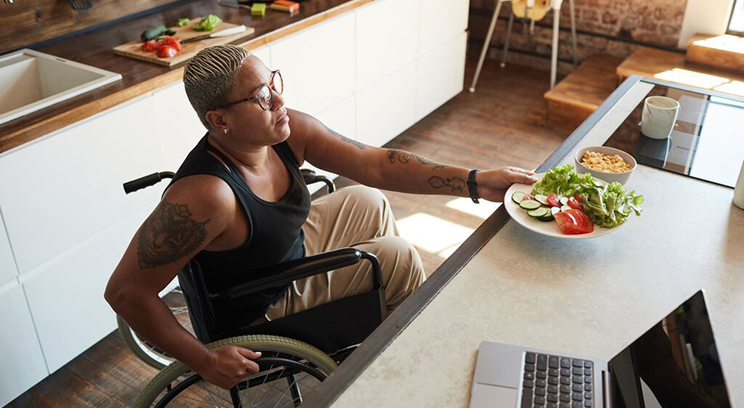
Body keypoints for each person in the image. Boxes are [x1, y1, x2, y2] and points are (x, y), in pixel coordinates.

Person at [105, 44, 537, 390]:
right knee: (396, 257)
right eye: (260, 96)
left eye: (272, 81)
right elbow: (125, 292)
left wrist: (476, 182)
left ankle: (372, 333)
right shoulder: (207, 196)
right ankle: (401, 368)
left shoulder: (285, 131)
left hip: (275, 251)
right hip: (257, 303)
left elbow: (378, 164)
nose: (278, 98)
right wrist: (203, 359)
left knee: (366, 197)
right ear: (219, 121)